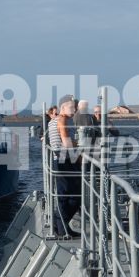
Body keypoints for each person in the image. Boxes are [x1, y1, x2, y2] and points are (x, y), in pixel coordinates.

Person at [47, 96, 81, 234]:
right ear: (63, 108)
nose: (74, 110)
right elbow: (66, 141)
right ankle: (60, 226)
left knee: (66, 195)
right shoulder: (62, 120)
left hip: (60, 160)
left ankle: (60, 226)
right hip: (64, 160)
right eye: (72, 107)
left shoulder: (52, 121)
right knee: (73, 196)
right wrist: (79, 146)